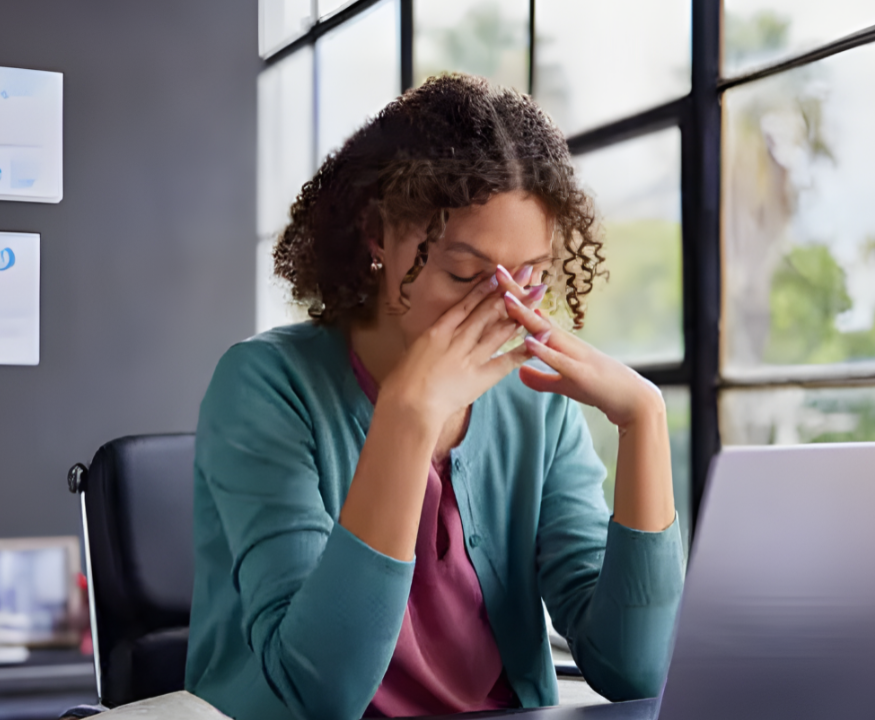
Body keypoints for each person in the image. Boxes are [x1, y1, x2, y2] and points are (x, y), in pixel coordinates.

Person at [185, 73, 684, 720]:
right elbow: (316, 694)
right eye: (465, 273)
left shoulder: (536, 400)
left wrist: (644, 421)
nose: (502, 307)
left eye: (530, 277)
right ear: (378, 235)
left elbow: (634, 669)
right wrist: (407, 417)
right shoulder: (265, 385)